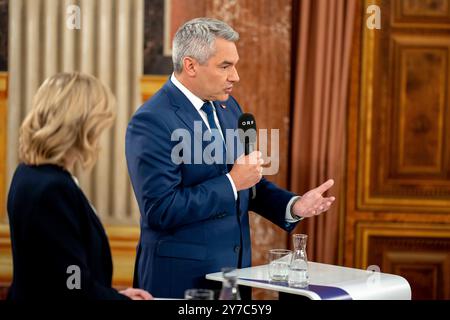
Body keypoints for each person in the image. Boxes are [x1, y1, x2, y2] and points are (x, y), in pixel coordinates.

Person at [126, 18, 335, 299]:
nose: (235, 76)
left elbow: (245, 180)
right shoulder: (152, 120)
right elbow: (161, 209)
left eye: (234, 65)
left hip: (234, 276)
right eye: (225, 66)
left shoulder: (229, 108)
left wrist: (293, 205)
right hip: (179, 281)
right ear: (190, 66)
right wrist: (232, 182)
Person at [7, 72, 152, 300]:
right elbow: (70, 288)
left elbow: (60, 274)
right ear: (83, 124)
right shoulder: (52, 190)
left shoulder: (29, 174)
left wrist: (114, 296)